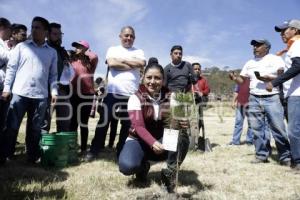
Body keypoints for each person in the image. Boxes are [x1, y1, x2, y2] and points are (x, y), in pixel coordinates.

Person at [118, 63, 190, 193]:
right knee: (127, 166)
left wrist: (184, 122)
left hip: (163, 140)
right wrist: (153, 143)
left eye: (157, 78)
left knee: (182, 134)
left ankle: (169, 172)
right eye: (149, 77)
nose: (152, 82)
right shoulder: (135, 98)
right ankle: (142, 167)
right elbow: (138, 126)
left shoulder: (172, 96)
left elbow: (180, 119)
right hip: (139, 140)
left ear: (163, 80)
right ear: (143, 78)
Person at [0, 16, 58, 164]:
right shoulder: (22, 47)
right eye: (32, 27)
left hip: (40, 96)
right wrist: (7, 89)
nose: (33, 30)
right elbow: (11, 69)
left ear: (45, 31)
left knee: (35, 129)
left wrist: (54, 91)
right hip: (19, 93)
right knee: (12, 126)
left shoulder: (51, 52)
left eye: (37, 27)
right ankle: (6, 155)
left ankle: (32, 156)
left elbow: (53, 75)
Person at [87, 26, 146, 160]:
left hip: (131, 95)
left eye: (131, 36)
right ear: (120, 36)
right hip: (112, 93)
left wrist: (123, 60)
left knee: (126, 125)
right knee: (104, 122)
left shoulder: (139, 51)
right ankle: (94, 150)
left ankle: (121, 152)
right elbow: (112, 63)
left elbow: (142, 63)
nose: (128, 38)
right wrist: (132, 63)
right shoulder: (113, 49)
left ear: (134, 38)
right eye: (126, 35)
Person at [229, 39, 291, 165]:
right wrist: (235, 78)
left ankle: (285, 157)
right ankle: (261, 155)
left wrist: (269, 78)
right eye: (254, 46)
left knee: (278, 128)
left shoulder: (276, 59)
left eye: (258, 45)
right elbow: (243, 81)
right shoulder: (249, 63)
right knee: (257, 129)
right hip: (254, 98)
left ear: (267, 47)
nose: (255, 47)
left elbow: (282, 76)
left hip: (272, 97)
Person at [266, 19, 300, 170]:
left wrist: (274, 82)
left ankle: (297, 162)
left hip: (296, 94)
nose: (282, 34)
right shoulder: (292, 47)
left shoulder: (297, 45)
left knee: (293, 130)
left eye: (285, 30)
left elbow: (298, 66)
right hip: (291, 94)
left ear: (295, 30)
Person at [41, 22, 73, 133]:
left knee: (65, 121)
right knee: (44, 122)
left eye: (60, 34)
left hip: (63, 90)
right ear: (48, 34)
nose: (58, 36)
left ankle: (61, 148)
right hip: (47, 90)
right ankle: (39, 149)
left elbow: (67, 71)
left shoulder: (62, 51)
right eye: (55, 34)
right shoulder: (43, 48)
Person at [69, 40, 98, 153]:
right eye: (76, 46)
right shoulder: (71, 60)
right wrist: (76, 52)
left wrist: (86, 51)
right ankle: (71, 147)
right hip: (73, 94)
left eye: (79, 46)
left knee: (83, 123)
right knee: (73, 123)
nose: (76, 48)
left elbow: (95, 56)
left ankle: (84, 148)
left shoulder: (89, 62)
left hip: (87, 95)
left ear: (85, 48)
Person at [228, 79, 253, 145]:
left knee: (251, 124)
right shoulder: (240, 80)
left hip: (251, 104)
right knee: (238, 123)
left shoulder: (254, 79)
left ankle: (249, 141)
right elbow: (236, 91)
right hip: (240, 104)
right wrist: (233, 101)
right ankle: (235, 141)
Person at [0, 17, 11, 136]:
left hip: (3, 88)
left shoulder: (4, 44)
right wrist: (15, 48)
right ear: (2, 28)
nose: (11, 32)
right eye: (9, 29)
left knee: (3, 122)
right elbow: (7, 57)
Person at [191, 62, 210, 131]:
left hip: (199, 102)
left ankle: (197, 134)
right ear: (191, 70)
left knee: (199, 119)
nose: (197, 70)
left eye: (199, 69)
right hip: (189, 102)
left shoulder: (203, 80)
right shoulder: (188, 79)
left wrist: (202, 93)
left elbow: (207, 89)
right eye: (195, 69)